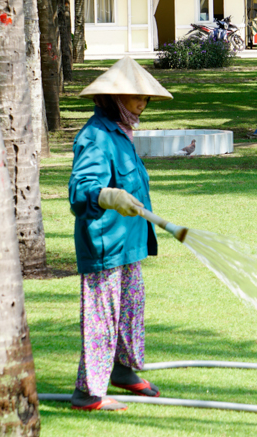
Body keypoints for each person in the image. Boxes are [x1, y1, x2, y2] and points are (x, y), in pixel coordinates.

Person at [68, 57, 173, 411]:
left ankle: (124, 372)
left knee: (130, 310)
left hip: (129, 245)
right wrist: (105, 195)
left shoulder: (121, 132)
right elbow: (80, 190)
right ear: (114, 98)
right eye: (134, 96)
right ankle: (89, 393)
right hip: (105, 246)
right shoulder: (96, 137)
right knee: (102, 316)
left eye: (145, 97)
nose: (142, 103)